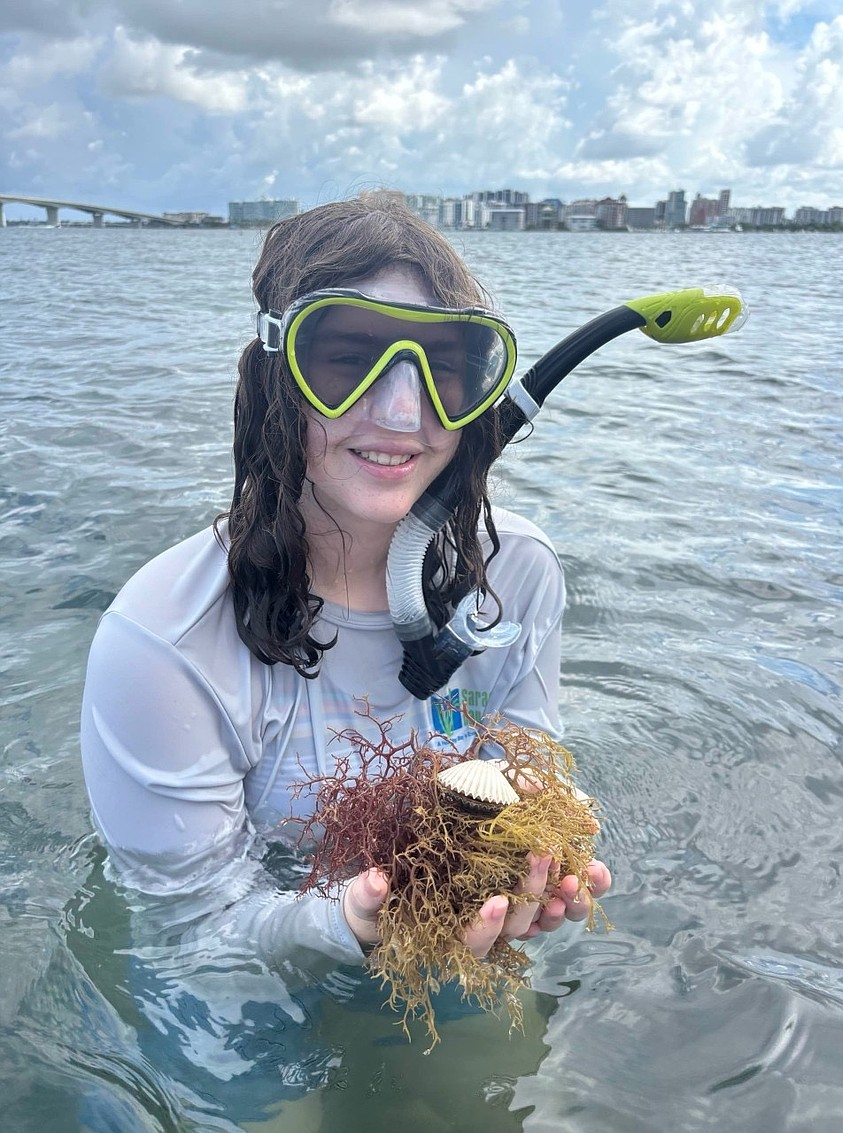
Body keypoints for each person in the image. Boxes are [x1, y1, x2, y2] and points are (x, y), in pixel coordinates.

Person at [80, 196, 610, 990]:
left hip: (452, 954)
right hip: (242, 991)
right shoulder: (162, 636)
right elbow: (187, 928)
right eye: (344, 358)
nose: (404, 412)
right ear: (273, 376)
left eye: (444, 366)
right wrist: (347, 923)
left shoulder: (518, 571)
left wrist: (546, 840)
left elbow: (528, 760)